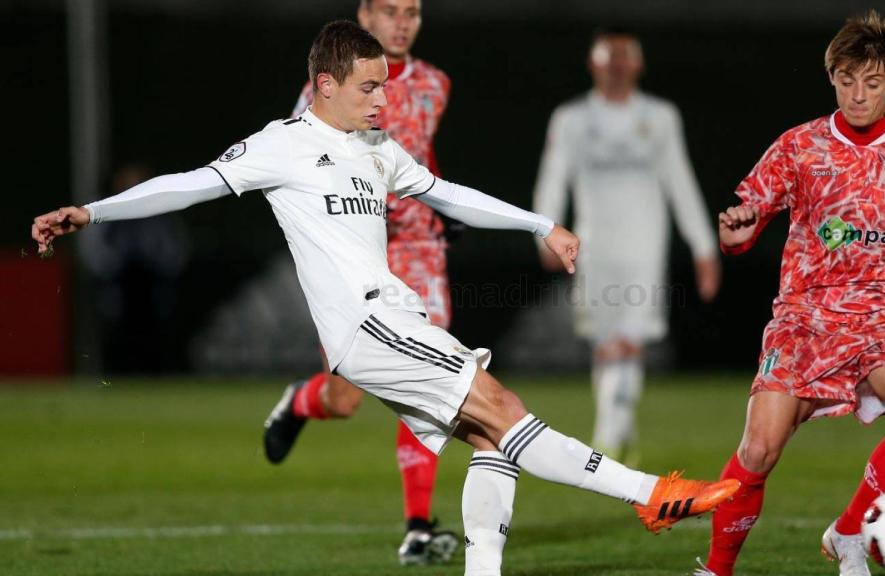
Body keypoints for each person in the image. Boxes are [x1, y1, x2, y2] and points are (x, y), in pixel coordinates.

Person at [32, 21, 740, 576]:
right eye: (369, 87)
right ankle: (649, 495)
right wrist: (91, 212)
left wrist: (540, 224)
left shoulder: (378, 149)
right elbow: (186, 183)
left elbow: (450, 194)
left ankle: (484, 570)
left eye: (385, 86)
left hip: (393, 316)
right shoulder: (281, 146)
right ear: (324, 84)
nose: (383, 99)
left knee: (489, 436)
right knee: (506, 408)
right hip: (366, 326)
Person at [692, 11, 885, 576]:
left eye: (871, 82)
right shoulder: (799, 147)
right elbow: (740, 229)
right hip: (808, 314)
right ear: (832, 77)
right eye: (846, 81)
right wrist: (735, 236)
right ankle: (717, 570)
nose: (858, 95)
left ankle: (850, 533)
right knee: (758, 449)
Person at [263, 0, 459, 565]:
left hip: (418, 247)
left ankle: (418, 527)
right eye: (391, 10)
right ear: (364, 14)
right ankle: (299, 403)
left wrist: (445, 204)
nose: (403, 22)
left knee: (434, 379)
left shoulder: (434, 83)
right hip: (355, 252)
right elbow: (301, 163)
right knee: (345, 399)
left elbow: (415, 155)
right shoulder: (322, 92)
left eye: (413, 11)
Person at [533, 29, 720, 464]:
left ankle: (608, 437)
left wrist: (703, 246)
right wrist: (543, 229)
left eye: (625, 58)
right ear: (593, 64)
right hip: (593, 242)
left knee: (631, 339)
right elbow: (553, 175)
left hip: (644, 243)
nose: (617, 66)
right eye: (609, 58)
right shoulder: (571, 118)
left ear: (637, 65)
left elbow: (680, 180)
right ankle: (615, 429)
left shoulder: (660, 116)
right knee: (604, 339)